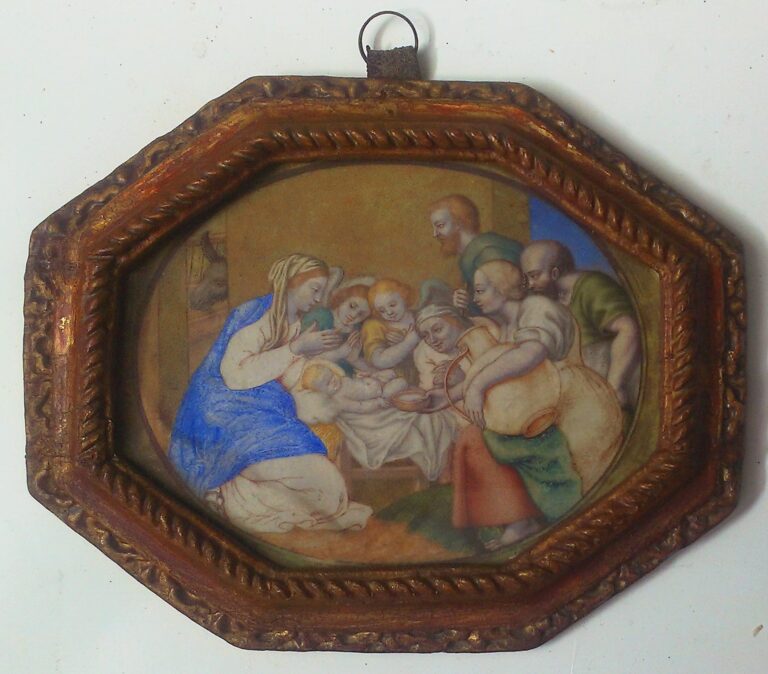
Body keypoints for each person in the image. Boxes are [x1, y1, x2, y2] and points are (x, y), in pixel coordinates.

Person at [168, 253, 373, 536]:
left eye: (322, 292)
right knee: (327, 490)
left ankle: (233, 495)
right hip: (227, 418)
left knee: (333, 492)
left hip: (268, 415)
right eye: (314, 289)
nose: (318, 299)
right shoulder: (255, 315)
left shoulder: (295, 323)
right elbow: (234, 377)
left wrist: (333, 367)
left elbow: (289, 375)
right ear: (292, 282)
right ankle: (227, 495)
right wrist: (296, 349)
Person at [451, 259, 623, 548]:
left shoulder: (537, 308)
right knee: (479, 438)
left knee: (582, 484)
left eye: (480, 290)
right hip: (537, 402)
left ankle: (545, 523)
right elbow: (495, 370)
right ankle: (519, 519)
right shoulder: (506, 327)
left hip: (572, 403)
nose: (475, 298)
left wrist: (477, 387)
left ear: (503, 287)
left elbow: (530, 353)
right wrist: (441, 397)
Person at [520, 240, 641, 407]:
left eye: (534, 276)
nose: (531, 284)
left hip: (608, 386)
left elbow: (628, 329)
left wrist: (614, 386)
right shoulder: (554, 298)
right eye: (527, 278)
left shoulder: (592, 287)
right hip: (583, 385)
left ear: (554, 273)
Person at [428, 194, 523, 313]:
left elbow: (504, 304)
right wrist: (465, 302)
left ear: (458, 223)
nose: (435, 234)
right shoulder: (473, 254)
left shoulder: (486, 253)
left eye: (440, 226)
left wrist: (469, 304)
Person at [300, 276, 375, 377]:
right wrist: (339, 353)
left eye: (361, 314)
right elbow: (302, 357)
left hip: (345, 378)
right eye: (352, 306)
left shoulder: (357, 331)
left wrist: (354, 360)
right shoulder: (321, 316)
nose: (353, 315)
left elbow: (363, 364)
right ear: (343, 298)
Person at [295, 360, 407, 423]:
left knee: (392, 372)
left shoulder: (341, 380)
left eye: (332, 375)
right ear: (322, 393)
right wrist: (377, 402)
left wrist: (362, 376)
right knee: (401, 383)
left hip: (374, 379)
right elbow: (360, 406)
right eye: (328, 383)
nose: (333, 380)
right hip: (379, 393)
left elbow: (355, 383)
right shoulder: (339, 400)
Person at [361, 278, 420, 384]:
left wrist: (406, 344)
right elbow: (379, 361)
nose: (389, 312)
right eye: (382, 310)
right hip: (392, 380)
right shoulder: (374, 326)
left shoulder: (419, 317)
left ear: (404, 297)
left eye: (392, 305)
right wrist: (409, 342)